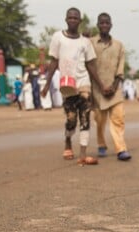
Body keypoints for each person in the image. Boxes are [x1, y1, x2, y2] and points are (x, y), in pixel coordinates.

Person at [42, 7, 104, 166]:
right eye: (70, 18)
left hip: (84, 84)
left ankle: (83, 154)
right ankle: (68, 141)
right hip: (67, 86)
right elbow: (54, 62)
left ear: (80, 21)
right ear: (66, 19)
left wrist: (101, 85)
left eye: (76, 18)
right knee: (71, 119)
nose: (73, 20)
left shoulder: (85, 42)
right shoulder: (58, 37)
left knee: (85, 118)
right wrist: (47, 84)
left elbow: (91, 66)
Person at [90, 12, 132, 161]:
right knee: (99, 121)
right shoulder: (91, 43)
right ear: (97, 25)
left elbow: (120, 67)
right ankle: (101, 144)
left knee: (118, 119)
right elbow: (89, 66)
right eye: (101, 23)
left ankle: (121, 149)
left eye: (107, 23)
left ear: (111, 25)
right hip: (97, 90)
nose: (104, 25)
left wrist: (114, 86)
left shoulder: (119, 45)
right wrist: (101, 86)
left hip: (115, 89)